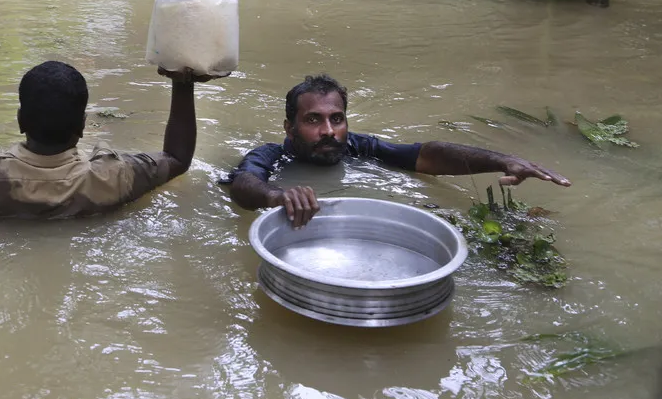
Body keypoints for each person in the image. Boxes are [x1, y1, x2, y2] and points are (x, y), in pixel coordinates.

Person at [227, 74, 571, 228]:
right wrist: (277, 197)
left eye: (337, 119)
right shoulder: (272, 155)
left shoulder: (358, 147)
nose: (328, 131)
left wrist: (503, 160)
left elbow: (426, 155)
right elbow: (244, 184)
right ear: (289, 128)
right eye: (313, 120)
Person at [0, 61, 219, 219]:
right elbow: (177, 158)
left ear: (21, 121)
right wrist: (183, 83)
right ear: (81, 126)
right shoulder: (113, 176)